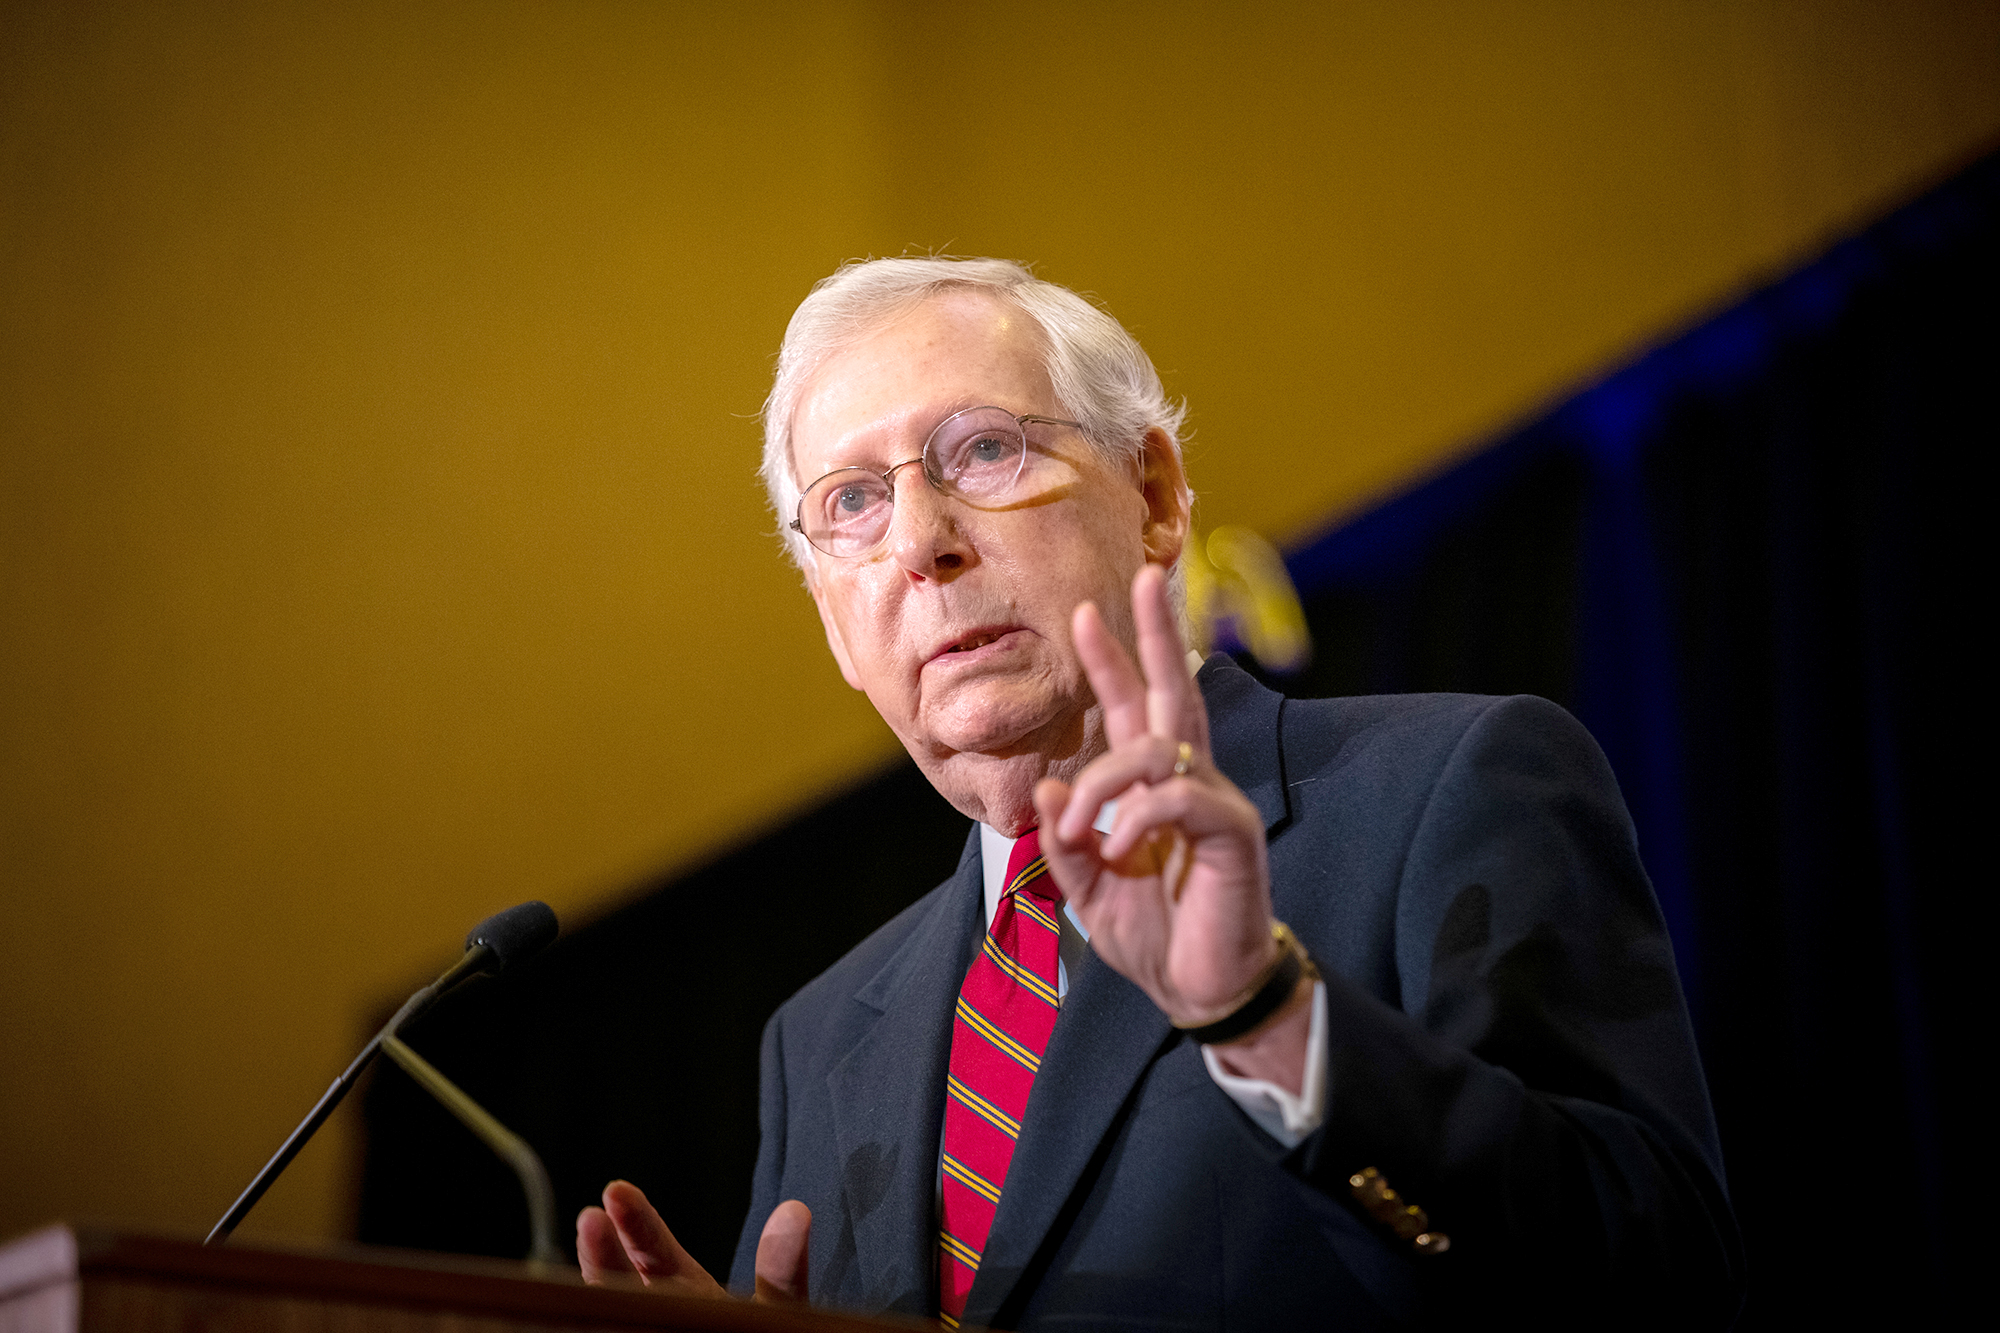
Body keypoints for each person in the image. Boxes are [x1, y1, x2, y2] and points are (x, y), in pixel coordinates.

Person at [575, 258, 1744, 1327]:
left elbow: (1650, 1279)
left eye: (981, 450)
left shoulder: (1448, 788)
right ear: (833, 622)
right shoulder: (819, 1035)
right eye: (851, 504)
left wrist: (1263, 1015)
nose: (918, 542)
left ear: (1154, 498)